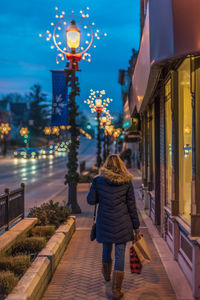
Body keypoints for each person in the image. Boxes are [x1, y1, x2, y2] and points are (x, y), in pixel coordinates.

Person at [87, 154, 140, 300]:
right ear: (121, 165)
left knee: (106, 247)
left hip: (104, 221)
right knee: (119, 254)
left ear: (106, 165)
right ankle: (116, 290)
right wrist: (136, 226)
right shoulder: (126, 181)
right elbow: (131, 206)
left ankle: (106, 275)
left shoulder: (98, 181)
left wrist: (94, 186)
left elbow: (91, 201)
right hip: (123, 222)